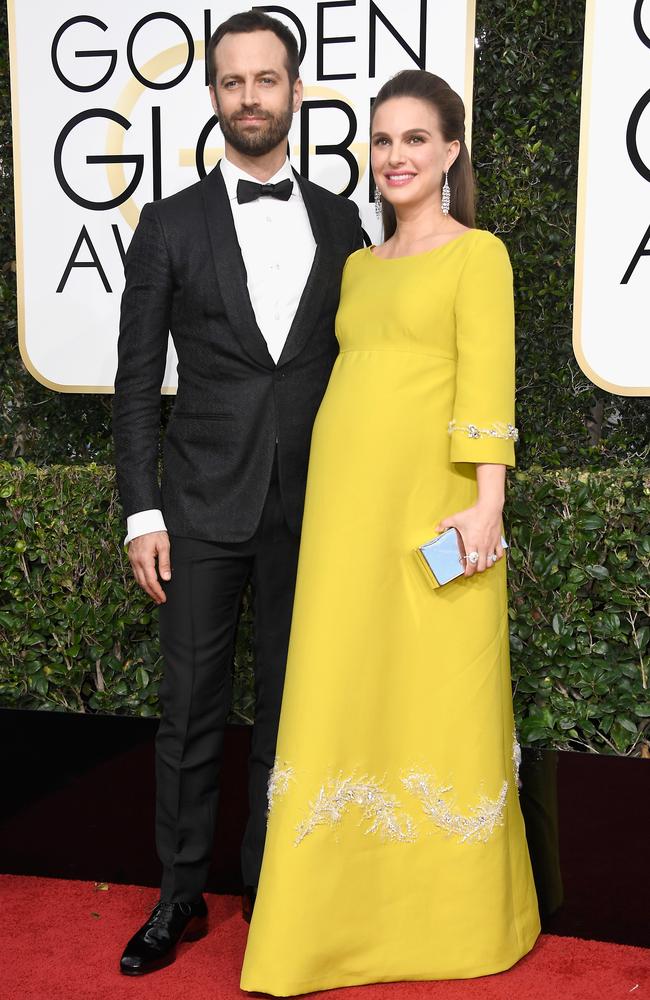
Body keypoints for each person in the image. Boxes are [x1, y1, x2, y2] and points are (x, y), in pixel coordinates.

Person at [241, 69, 540, 995]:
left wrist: (488, 501)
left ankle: (445, 919)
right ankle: (328, 919)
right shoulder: (358, 267)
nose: (396, 156)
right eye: (382, 140)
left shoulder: (478, 254)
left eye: (415, 138)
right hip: (343, 509)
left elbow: (486, 381)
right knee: (339, 683)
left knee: (438, 690)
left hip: (437, 509)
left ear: (451, 150)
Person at [112, 10, 362, 977]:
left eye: (267, 80)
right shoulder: (169, 224)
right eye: (232, 82)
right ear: (213, 96)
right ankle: (177, 896)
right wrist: (142, 511)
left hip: (315, 510)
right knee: (191, 711)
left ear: (295, 92)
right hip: (199, 509)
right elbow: (137, 384)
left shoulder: (344, 221)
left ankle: (273, 887)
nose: (250, 97)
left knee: (296, 708)